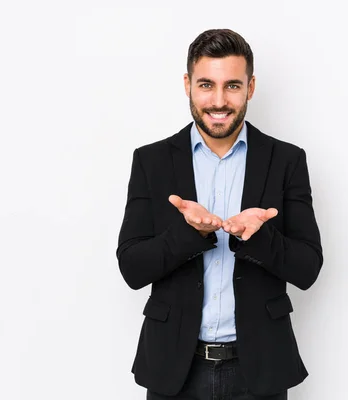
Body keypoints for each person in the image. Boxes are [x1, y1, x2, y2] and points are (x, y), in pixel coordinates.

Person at [116, 28, 323, 400]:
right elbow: (132, 268)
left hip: (259, 370)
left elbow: (308, 269)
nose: (218, 100)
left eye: (232, 86)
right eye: (206, 84)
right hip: (174, 370)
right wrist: (188, 234)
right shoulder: (151, 161)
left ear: (250, 87)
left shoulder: (287, 161)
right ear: (188, 84)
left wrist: (259, 237)